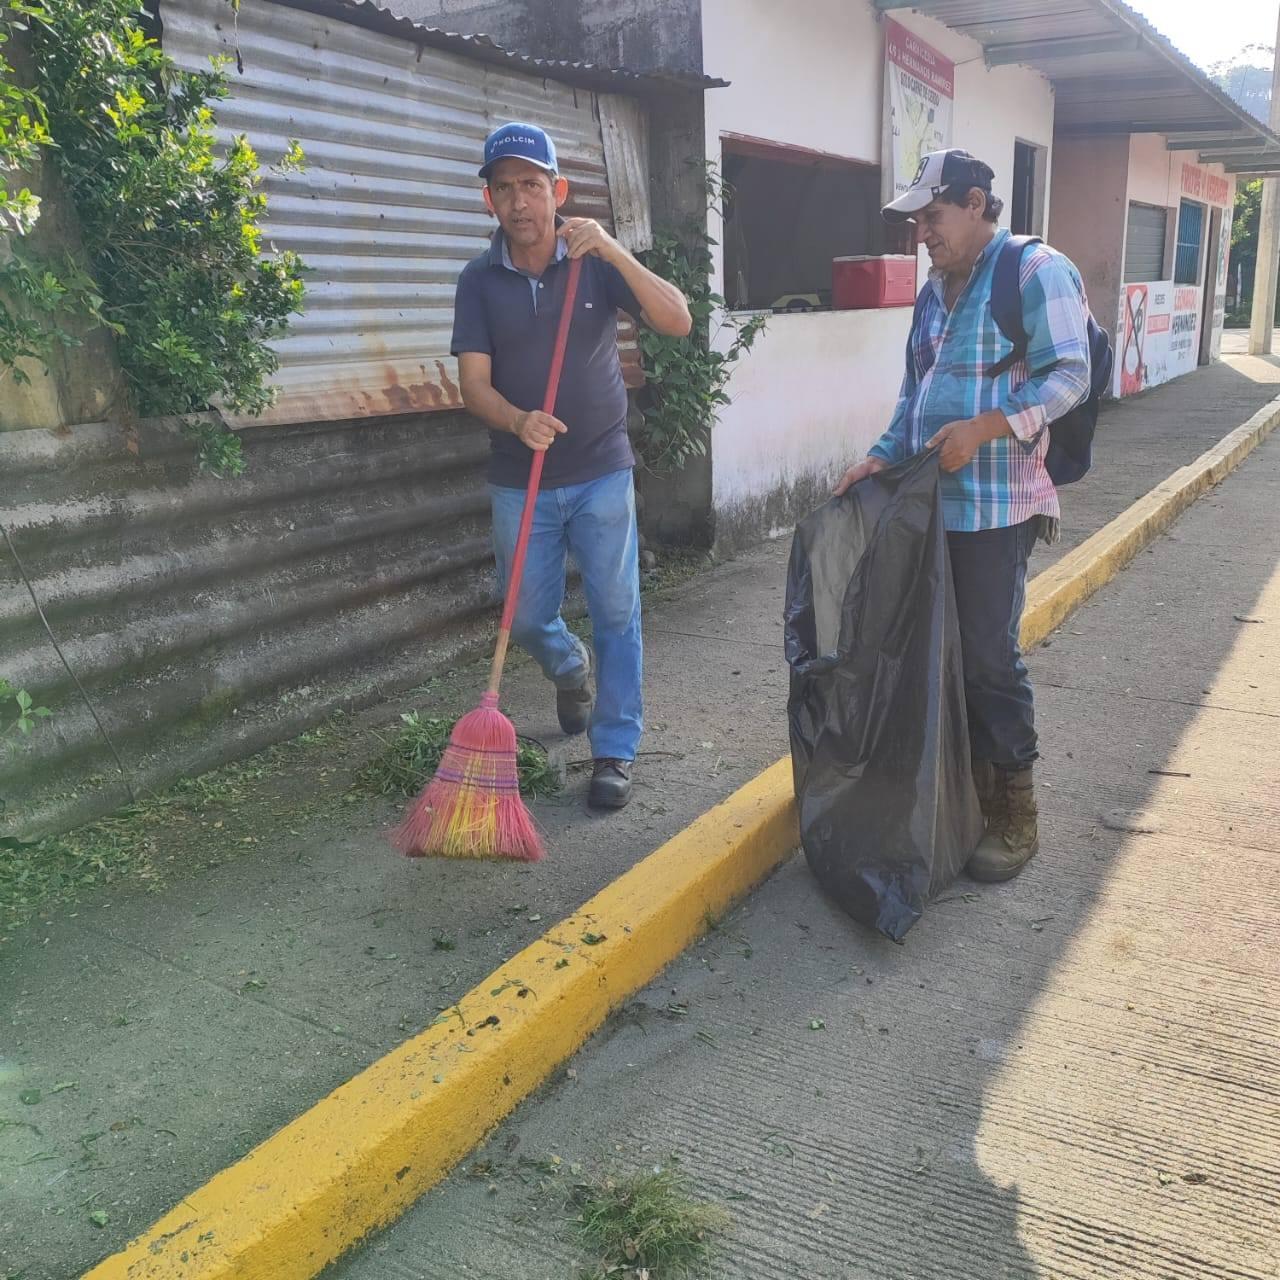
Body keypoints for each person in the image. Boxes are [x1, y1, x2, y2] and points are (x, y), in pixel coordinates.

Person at [834, 149, 1092, 882]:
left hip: (997, 510)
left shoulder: (1034, 271)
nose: (922, 233)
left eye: (933, 215)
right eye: (917, 220)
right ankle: (963, 796)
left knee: (986, 658)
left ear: (976, 203)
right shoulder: (933, 293)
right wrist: (880, 457)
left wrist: (985, 428)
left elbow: (1072, 374)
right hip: (928, 509)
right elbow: (913, 398)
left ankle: (1015, 812)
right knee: (932, 654)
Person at [451, 122, 692, 810]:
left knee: (617, 611)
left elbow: (677, 320)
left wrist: (614, 249)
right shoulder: (479, 280)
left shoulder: (594, 262)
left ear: (557, 192)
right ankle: (567, 665)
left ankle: (614, 749)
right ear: (489, 201)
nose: (519, 200)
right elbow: (474, 386)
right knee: (527, 616)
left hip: (602, 470)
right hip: (519, 477)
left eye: (531, 184)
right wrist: (516, 420)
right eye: (505, 188)